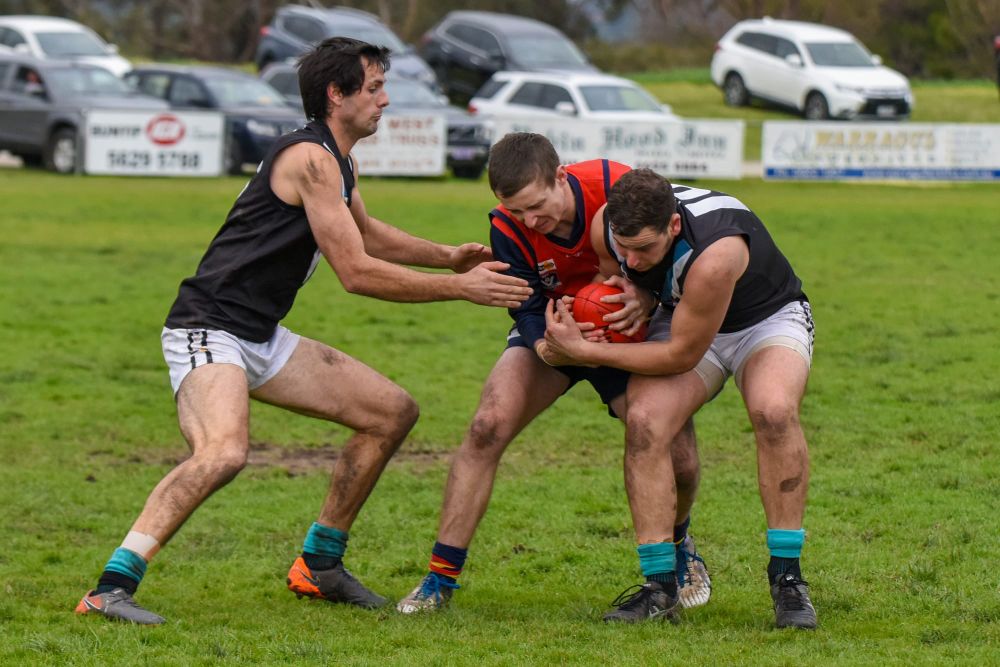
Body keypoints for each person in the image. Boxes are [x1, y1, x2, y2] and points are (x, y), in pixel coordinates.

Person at [74, 37, 533, 625]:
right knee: (223, 453)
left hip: (259, 334)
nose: (385, 101)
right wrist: (461, 289)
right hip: (208, 327)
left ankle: (319, 564)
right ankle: (110, 587)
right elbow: (356, 272)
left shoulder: (337, 161)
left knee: (390, 412)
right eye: (373, 89)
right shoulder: (310, 159)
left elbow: (366, 235)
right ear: (335, 95)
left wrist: (448, 257)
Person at [395, 133, 710, 618]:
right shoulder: (507, 225)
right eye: (518, 211)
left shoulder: (610, 182)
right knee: (486, 426)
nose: (531, 221)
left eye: (538, 207)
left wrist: (646, 298)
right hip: (555, 334)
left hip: (625, 336)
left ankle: (681, 544)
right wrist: (547, 344)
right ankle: (439, 579)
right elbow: (523, 300)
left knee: (679, 457)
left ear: (561, 176)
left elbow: (668, 250)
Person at [542, 169, 817, 629]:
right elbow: (617, 278)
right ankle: (658, 586)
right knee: (645, 422)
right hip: (685, 314)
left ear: (672, 226)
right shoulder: (606, 228)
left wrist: (584, 351)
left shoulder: (716, 251)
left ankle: (787, 580)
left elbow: (681, 354)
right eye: (623, 245)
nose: (632, 257)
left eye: (644, 249)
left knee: (773, 412)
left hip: (762, 321)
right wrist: (638, 299)